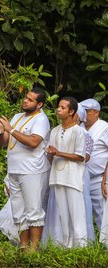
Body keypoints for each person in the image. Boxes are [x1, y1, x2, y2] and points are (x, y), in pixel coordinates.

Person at [0, 87, 51, 250]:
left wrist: (10, 129)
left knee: (33, 210)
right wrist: (1, 132)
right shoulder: (17, 117)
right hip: (14, 170)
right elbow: (3, 143)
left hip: (32, 170)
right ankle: (23, 246)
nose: (25, 101)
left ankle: (34, 248)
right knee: (18, 211)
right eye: (26, 97)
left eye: (30, 100)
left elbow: (33, 142)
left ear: (39, 104)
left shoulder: (41, 119)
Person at [46, 97, 87, 248]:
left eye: (63, 108)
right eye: (58, 107)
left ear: (71, 112)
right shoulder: (55, 130)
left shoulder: (78, 131)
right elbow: (51, 153)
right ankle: (66, 245)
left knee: (76, 213)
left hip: (73, 177)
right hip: (57, 176)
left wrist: (58, 153)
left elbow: (81, 156)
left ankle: (81, 246)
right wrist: (51, 154)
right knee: (63, 214)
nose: (58, 110)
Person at [81, 99, 108, 230]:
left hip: (98, 178)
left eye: (86, 111)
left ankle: (104, 241)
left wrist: (105, 179)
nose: (83, 113)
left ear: (96, 112)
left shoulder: (104, 127)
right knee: (81, 213)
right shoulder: (78, 126)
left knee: (102, 213)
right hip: (80, 177)